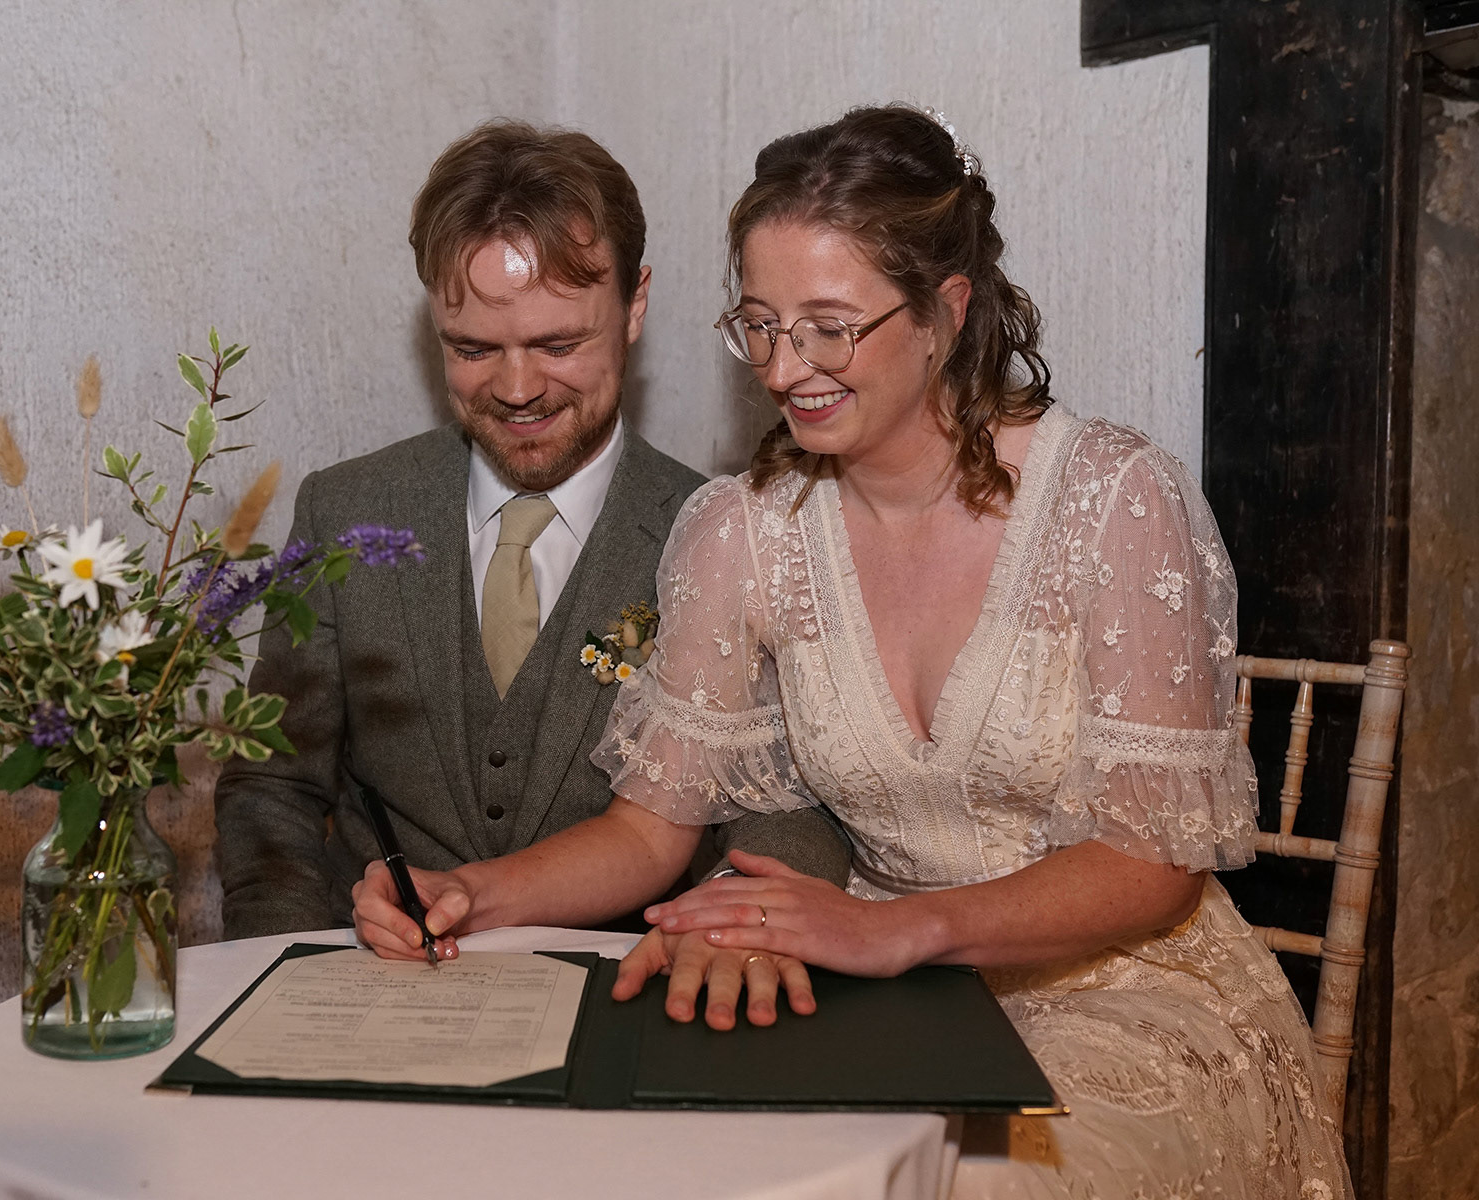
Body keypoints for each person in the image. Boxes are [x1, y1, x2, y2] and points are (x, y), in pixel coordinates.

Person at [354, 105, 1352, 1197]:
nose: (786, 371)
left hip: (1128, 1000)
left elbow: (1153, 869)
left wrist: (900, 929)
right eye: (760, 327)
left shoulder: (1113, 501)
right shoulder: (740, 531)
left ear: (944, 312)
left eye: (829, 328)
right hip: (886, 1001)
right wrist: (469, 895)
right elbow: (648, 830)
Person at [214, 119, 851, 1024]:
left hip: (633, 1009)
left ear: (634, 305)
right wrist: (289, 975)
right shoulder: (344, 512)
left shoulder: (722, 531)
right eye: (472, 349)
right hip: (375, 1009)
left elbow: (791, 804)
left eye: (557, 346)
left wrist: (733, 921)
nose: (516, 390)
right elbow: (272, 785)